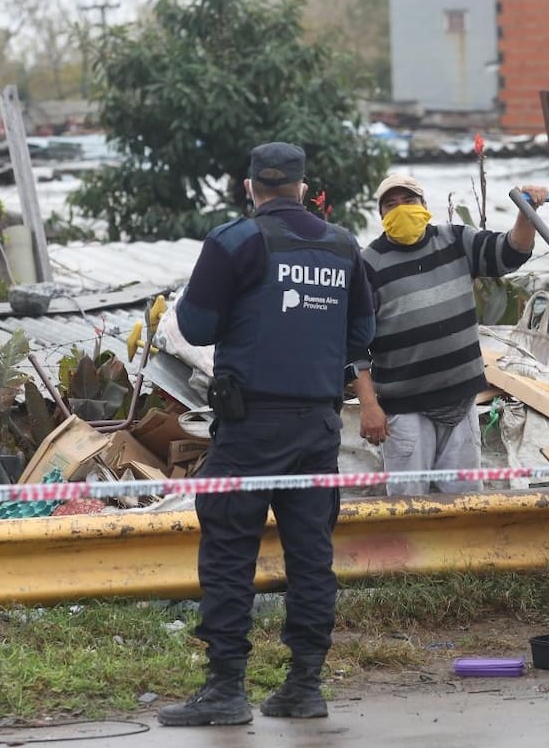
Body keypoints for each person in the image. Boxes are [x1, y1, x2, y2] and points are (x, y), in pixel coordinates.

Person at [158, 142, 375, 727]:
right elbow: (362, 334)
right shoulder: (344, 246)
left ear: (251, 186)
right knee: (311, 556)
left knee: (229, 551)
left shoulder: (235, 241)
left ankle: (227, 688)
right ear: (303, 188)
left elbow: (196, 326)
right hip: (318, 427)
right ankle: (305, 685)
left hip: (250, 425)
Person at [353, 173, 549, 495]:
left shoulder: (456, 240)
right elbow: (354, 344)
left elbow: (510, 253)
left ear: (424, 205)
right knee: (407, 505)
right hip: (405, 412)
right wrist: (369, 405)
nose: (401, 210)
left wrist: (527, 212)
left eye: (409, 202)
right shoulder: (368, 265)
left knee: (464, 505)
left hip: (461, 403)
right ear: (381, 216)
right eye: (391, 205)